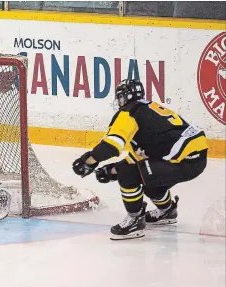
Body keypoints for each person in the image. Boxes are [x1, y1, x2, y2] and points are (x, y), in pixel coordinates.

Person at [72, 79, 208, 240]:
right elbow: (141, 155)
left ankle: (134, 220)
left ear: (125, 97)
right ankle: (167, 211)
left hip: (184, 159)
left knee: (128, 175)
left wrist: (88, 161)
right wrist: (112, 169)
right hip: (195, 158)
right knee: (147, 177)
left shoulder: (128, 113)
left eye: (120, 97)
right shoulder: (148, 108)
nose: (119, 101)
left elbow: (111, 147)